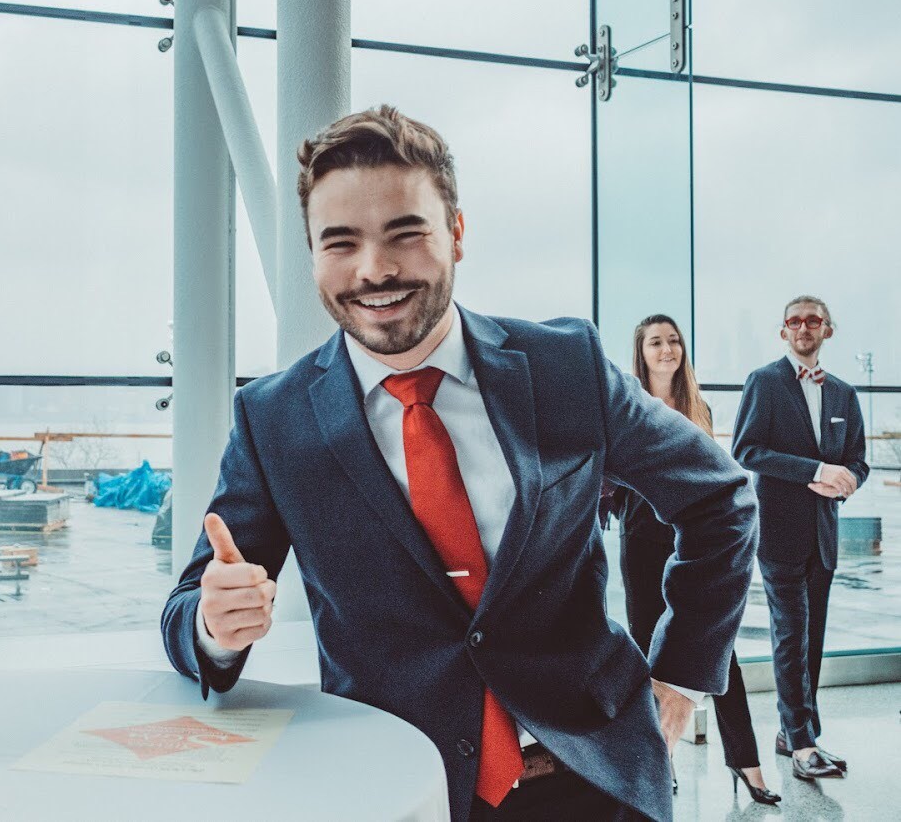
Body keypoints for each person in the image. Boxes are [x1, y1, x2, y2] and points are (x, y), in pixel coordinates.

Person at [161, 106, 757, 821]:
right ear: (313, 253)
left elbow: (720, 499)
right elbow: (189, 607)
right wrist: (213, 625)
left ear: (457, 233)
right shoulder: (273, 419)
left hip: (592, 779)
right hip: (402, 788)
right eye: (340, 241)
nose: (373, 269)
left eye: (404, 233)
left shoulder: (562, 367)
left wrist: (683, 674)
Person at [606, 315, 778, 805]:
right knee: (646, 648)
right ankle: (661, 759)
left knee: (718, 650)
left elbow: (718, 483)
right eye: (656, 342)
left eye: (673, 340)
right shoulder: (629, 407)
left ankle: (746, 763)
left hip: (695, 536)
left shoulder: (697, 405)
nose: (667, 349)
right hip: (643, 534)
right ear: (641, 352)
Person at [731, 295, 868, 781]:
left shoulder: (845, 395)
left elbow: (858, 460)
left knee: (811, 640)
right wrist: (815, 468)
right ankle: (805, 743)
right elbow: (746, 450)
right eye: (795, 320)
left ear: (827, 330)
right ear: (783, 331)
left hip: (823, 535)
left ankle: (794, 732)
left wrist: (848, 479)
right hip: (780, 533)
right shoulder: (764, 383)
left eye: (814, 320)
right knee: (790, 634)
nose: (804, 327)